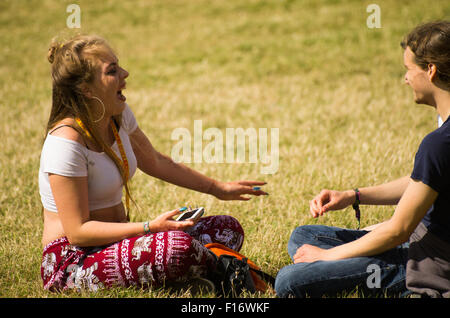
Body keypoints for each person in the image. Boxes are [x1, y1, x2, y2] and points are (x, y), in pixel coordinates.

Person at [39, 34, 268, 292]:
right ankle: (223, 271)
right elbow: (78, 232)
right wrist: (150, 227)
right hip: (73, 260)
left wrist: (218, 188)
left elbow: (157, 161)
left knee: (227, 229)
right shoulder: (65, 142)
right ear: (86, 89)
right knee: (178, 248)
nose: (125, 74)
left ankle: (193, 276)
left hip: (120, 240)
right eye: (112, 71)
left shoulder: (117, 115)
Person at [275, 21, 450, 298]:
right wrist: (352, 195)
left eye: (408, 70)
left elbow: (398, 231)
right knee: (303, 235)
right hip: (422, 240)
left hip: (424, 263)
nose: (405, 79)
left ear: (430, 70)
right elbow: (425, 180)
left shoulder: (439, 143)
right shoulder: (443, 134)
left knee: (289, 281)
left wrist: (327, 257)